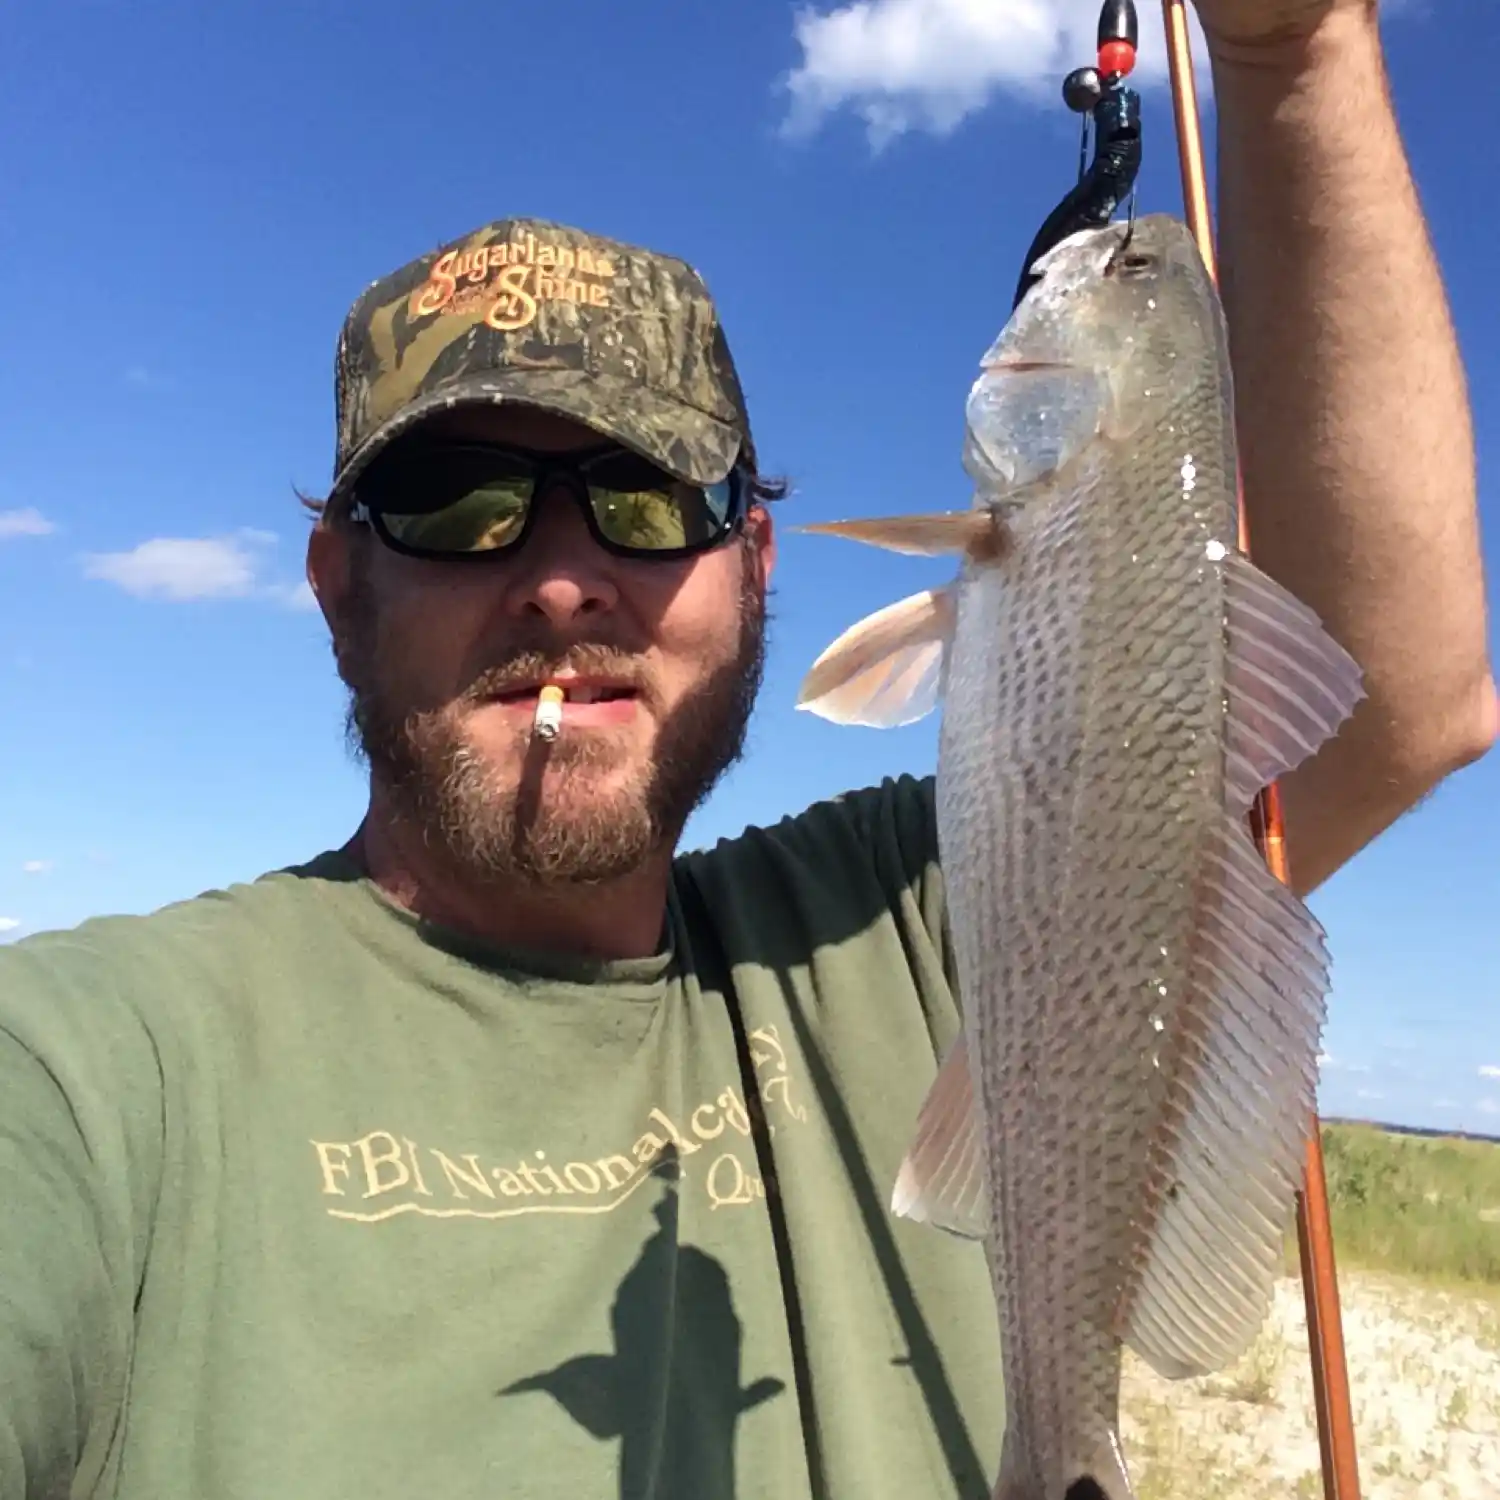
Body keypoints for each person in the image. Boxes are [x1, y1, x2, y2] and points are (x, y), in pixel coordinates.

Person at [1, 4, 1493, 1497]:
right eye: (460, 500)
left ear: (757, 562)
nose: (563, 578)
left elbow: (1405, 704)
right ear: (338, 583)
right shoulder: (84, 1080)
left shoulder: (926, 913)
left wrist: (1296, 56)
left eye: (649, 499)